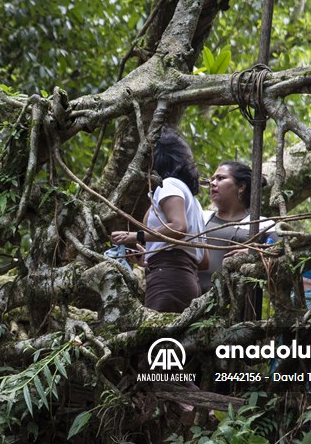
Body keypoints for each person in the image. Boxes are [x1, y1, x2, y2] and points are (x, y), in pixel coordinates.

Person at [111, 129, 205, 313]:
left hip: (167, 281)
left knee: (157, 340)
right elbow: (203, 260)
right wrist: (149, 256)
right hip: (187, 281)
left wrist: (134, 236)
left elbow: (178, 228)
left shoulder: (167, 184)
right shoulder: (195, 203)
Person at [198, 161, 275, 295]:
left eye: (220, 178)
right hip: (193, 300)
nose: (213, 183)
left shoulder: (263, 224)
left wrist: (256, 252)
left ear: (241, 187)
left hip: (240, 303)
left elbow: (280, 252)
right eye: (212, 180)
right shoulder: (200, 217)